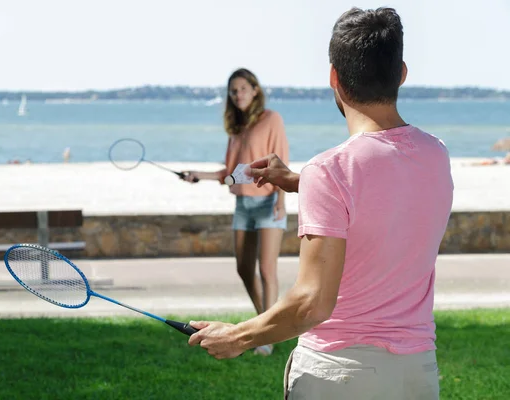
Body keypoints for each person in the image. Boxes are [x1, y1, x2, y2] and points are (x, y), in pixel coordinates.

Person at [188, 7, 453, 400]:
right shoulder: (435, 154)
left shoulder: (329, 171)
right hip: (417, 374)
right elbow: (382, 198)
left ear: (334, 78)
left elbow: (312, 303)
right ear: (401, 73)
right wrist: (299, 182)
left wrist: (238, 336)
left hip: (338, 375)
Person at [183, 68, 290, 356]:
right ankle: (264, 326)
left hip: (269, 203)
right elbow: (232, 174)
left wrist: (281, 200)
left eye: (243, 88)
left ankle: (265, 337)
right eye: (233, 90)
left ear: (255, 90)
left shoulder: (271, 119)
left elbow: (279, 163)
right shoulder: (237, 127)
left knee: (267, 270)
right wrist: (198, 175)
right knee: (244, 269)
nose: (238, 94)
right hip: (243, 205)